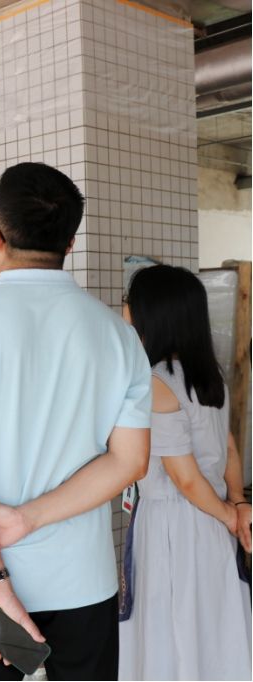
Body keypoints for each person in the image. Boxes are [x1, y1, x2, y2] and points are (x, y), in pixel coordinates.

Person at [0, 162, 151, 680]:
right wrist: (30, 518)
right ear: (69, 243)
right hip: (79, 576)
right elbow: (131, 461)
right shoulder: (118, 336)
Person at [118, 264, 252, 680]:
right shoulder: (208, 376)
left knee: (171, 623)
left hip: (174, 522)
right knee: (209, 621)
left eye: (130, 301)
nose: (125, 308)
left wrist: (230, 515)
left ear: (153, 313)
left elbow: (184, 477)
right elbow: (230, 447)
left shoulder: (157, 382)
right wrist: (236, 504)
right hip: (210, 517)